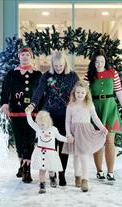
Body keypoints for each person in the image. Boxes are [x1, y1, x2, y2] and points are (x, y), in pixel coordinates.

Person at [26, 51, 79, 186]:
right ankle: (51, 173)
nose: (58, 68)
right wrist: (32, 104)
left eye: (60, 65)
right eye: (56, 66)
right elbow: (38, 91)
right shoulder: (47, 75)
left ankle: (61, 174)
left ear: (65, 63)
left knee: (63, 147)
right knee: (49, 145)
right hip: (48, 116)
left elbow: (79, 92)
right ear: (52, 64)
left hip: (65, 116)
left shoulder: (72, 76)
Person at [84, 49, 122, 181]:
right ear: (93, 63)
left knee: (110, 140)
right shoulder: (89, 75)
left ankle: (110, 172)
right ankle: (99, 171)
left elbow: (119, 92)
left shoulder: (113, 73)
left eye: (102, 61)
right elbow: (84, 94)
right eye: (97, 62)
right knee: (98, 141)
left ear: (105, 62)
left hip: (110, 108)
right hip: (95, 109)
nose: (99, 64)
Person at [0, 47, 42, 183]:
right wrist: (4, 103)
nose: (25, 57)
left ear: (31, 56)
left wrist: (41, 110)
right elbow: (5, 91)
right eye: (22, 54)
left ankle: (27, 169)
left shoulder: (38, 74)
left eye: (27, 54)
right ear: (19, 56)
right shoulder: (11, 74)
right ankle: (21, 165)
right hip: (16, 111)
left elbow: (41, 93)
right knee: (19, 140)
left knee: (29, 140)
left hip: (32, 113)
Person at [62, 80, 108, 192]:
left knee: (84, 155)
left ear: (86, 93)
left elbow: (95, 118)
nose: (80, 95)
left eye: (82, 93)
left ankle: (85, 179)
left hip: (86, 132)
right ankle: (77, 176)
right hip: (74, 132)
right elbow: (67, 121)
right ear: (74, 93)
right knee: (76, 156)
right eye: (78, 92)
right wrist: (68, 134)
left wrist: (102, 127)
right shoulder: (71, 106)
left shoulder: (89, 104)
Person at [25, 110, 74, 193]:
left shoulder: (54, 129)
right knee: (42, 170)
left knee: (51, 169)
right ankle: (42, 185)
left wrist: (67, 140)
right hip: (40, 153)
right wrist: (28, 114)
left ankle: (52, 177)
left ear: (48, 122)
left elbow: (59, 137)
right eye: (39, 124)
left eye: (42, 124)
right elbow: (30, 123)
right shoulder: (37, 128)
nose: (40, 126)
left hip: (50, 154)